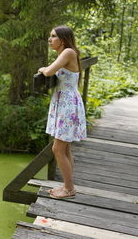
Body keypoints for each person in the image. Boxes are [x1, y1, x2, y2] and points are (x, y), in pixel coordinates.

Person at [37, 25, 87, 199]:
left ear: (63, 39)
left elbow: (49, 71)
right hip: (64, 103)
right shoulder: (65, 53)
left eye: (53, 36)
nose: (50, 40)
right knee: (65, 150)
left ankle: (69, 189)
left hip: (67, 105)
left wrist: (43, 69)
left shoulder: (68, 52)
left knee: (58, 149)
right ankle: (67, 186)